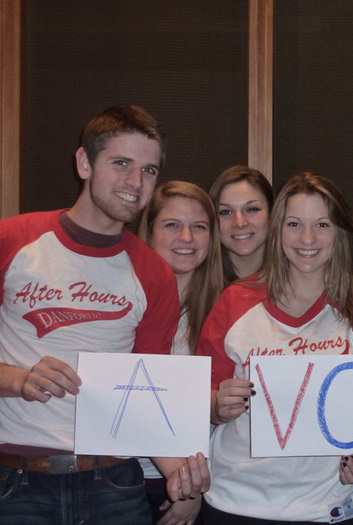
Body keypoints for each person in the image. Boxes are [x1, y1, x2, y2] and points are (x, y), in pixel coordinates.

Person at [0, 105, 209, 524]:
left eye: (149, 170)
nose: (135, 183)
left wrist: (180, 474)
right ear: (84, 163)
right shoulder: (7, 241)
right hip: (14, 485)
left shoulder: (153, 273)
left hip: (113, 485)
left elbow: (145, 398)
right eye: (121, 163)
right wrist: (18, 379)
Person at [197, 172, 353, 524]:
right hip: (236, 501)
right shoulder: (234, 301)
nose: (307, 238)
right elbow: (200, 395)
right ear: (276, 229)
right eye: (294, 224)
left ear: (341, 232)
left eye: (322, 224)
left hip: (327, 504)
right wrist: (216, 405)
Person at [138, 180, 224, 524]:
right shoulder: (126, 306)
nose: (186, 238)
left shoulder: (228, 309)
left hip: (210, 483)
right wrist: (182, 479)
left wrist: (195, 488)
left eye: (199, 227)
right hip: (128, 480)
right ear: (149, 231)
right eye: (172, 225)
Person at [208, 165, 274, 284]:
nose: (239, 223)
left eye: (252, 210)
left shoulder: (294, 281)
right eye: (226, 212)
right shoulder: (199, 285)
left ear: (272, 214)